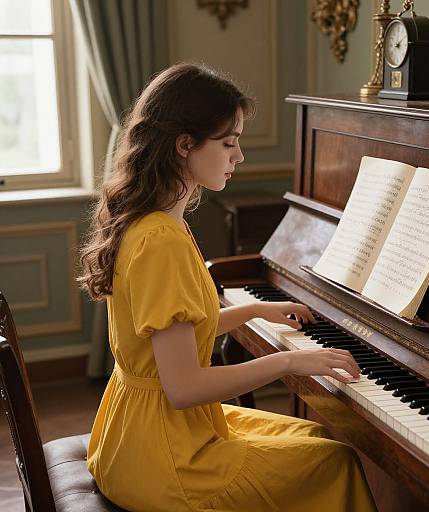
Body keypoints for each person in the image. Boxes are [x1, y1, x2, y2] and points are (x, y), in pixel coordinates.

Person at [78, 63, 377, 512]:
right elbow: (184, 386)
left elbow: (171, 337)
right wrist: (291, 360)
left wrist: (253, 312)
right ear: (185, 145)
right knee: (333, 461)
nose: (239, 157)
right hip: (165, 454)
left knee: (314, 434)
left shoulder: (156, 222)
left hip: (137, 429)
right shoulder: (161, 242)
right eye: (228, 143)